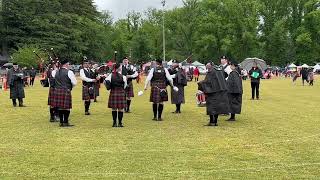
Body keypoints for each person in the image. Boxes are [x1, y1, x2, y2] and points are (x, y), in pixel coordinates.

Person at [51, 59, 77, 127]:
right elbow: (74, 83)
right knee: (66, 107)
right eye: (69, 64)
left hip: (57, 91)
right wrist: (70, 87)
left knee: (60, 107)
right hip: (66, 91)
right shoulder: (69, 72)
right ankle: (65, 122)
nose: (69, 65)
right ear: (66, 64)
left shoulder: (55, 72)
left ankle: (61, 122)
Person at [105, 63, 127, 127]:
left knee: (114, 109)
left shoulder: (110, 75)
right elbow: (125, 86)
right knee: (121, 109)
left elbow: (106, 82)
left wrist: (109, 87)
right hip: (121, 92)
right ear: (119, 68)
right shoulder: (123, 76)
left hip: (113, 92)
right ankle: (120, 123)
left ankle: (114, 123)